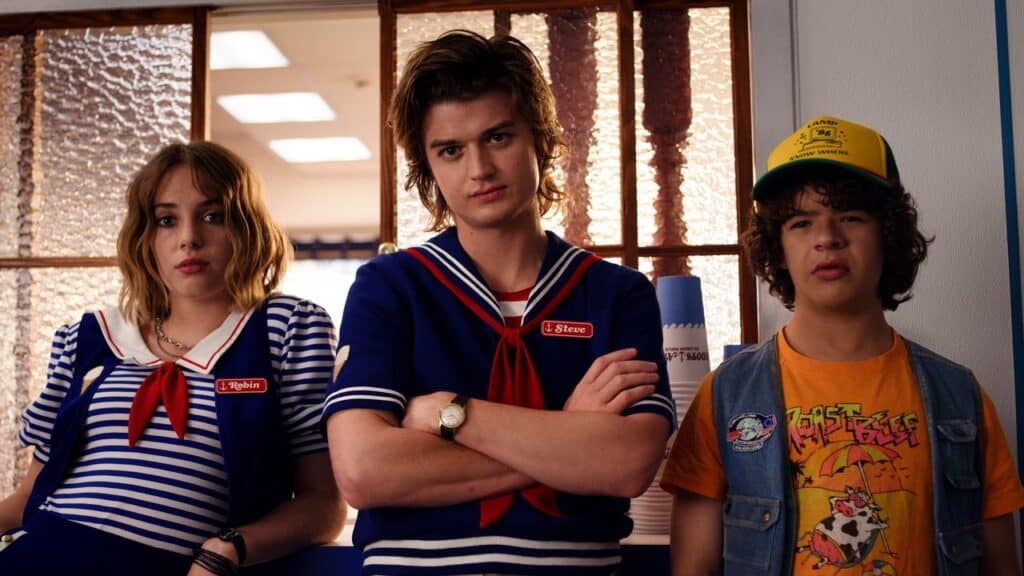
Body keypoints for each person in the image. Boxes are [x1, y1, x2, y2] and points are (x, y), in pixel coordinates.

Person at [324, 30, 675, 575]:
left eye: (499, 137)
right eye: (450, 150)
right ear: (428, 167)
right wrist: (567, 432)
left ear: (539, 138)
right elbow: (364, 472)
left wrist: (449, 415)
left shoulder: (616, 292)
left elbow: (626, 464)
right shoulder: (389, 287)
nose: (479, 169)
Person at [661, 115, 1024, 575]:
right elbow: (694, 567)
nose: (827, 238)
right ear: (778, 248)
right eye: (800, 222)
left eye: (850, 217)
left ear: (888, 236)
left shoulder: (960, 395)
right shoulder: (726, 395)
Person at [0, 141, 344, 575]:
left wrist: (229, 549)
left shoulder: (285, 329)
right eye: (166, 220)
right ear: (146, 240)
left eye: (213, 216)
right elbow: (29, 495)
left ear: (247, 228)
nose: (189, 238)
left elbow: (323, 507)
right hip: (39, 553)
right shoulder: (89, 338)